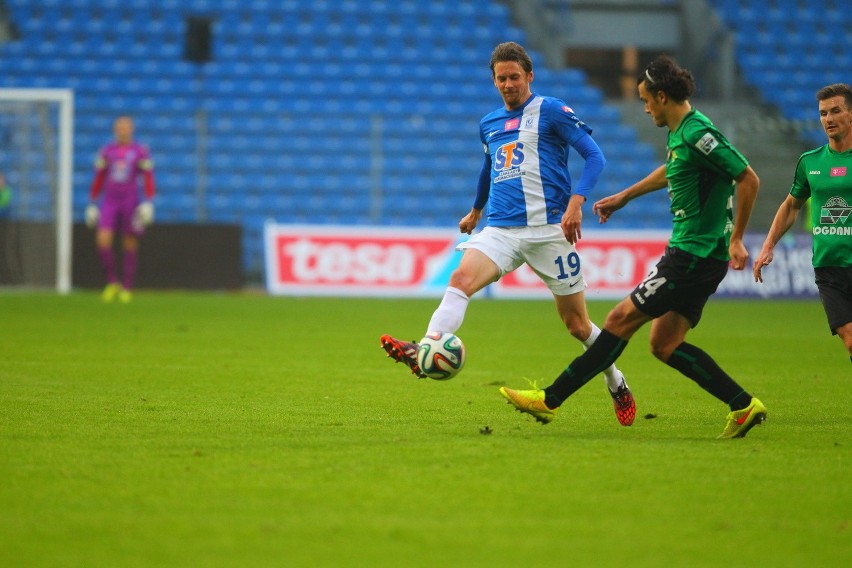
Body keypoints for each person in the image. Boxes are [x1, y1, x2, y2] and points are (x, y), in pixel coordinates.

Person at [500, 55, 766, 439]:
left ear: (661, 96)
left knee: (617, 321)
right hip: (699, 257)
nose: (644, 108)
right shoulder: (681, 134)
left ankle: (550, 399)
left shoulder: (697, 133)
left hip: (693, 255)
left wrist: (738, 237)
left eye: (645, 100)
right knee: (665, 343)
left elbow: (748, 177)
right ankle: (743, 404)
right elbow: (673, 169)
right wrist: (625, 196)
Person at [381, 41, 636, 426]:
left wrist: (577, 201)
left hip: (549, 230)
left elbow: (595, 155)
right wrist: (476, 210)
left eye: (515, 77)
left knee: (577, 325)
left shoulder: (551, 111)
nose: (508, 84)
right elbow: (489, 169)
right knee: (460, 279)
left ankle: (616, 382)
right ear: (494, 80)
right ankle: (426, 347)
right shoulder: (489, 123)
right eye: (501, 78)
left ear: (529, 76)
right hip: (501, 228)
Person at [753, 83, 852, 363]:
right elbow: (790, 205)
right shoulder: (810, 162)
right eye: (823, 113)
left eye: (836, 111)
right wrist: (768, 245)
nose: (828, 119)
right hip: (828, 267)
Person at [85, 116, 155, 303]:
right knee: (102, 240)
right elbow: (99, 177)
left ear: (131, 129)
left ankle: (127, 286)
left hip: (130, 200)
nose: (123, 130)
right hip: (110, 200)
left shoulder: (140, 151)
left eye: (126, 127)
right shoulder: (107, 151)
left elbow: (148, 177)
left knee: (129, 242)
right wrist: (92, 202)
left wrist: (148, 201)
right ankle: (112, 282)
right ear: (115, 129)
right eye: (120, 127)